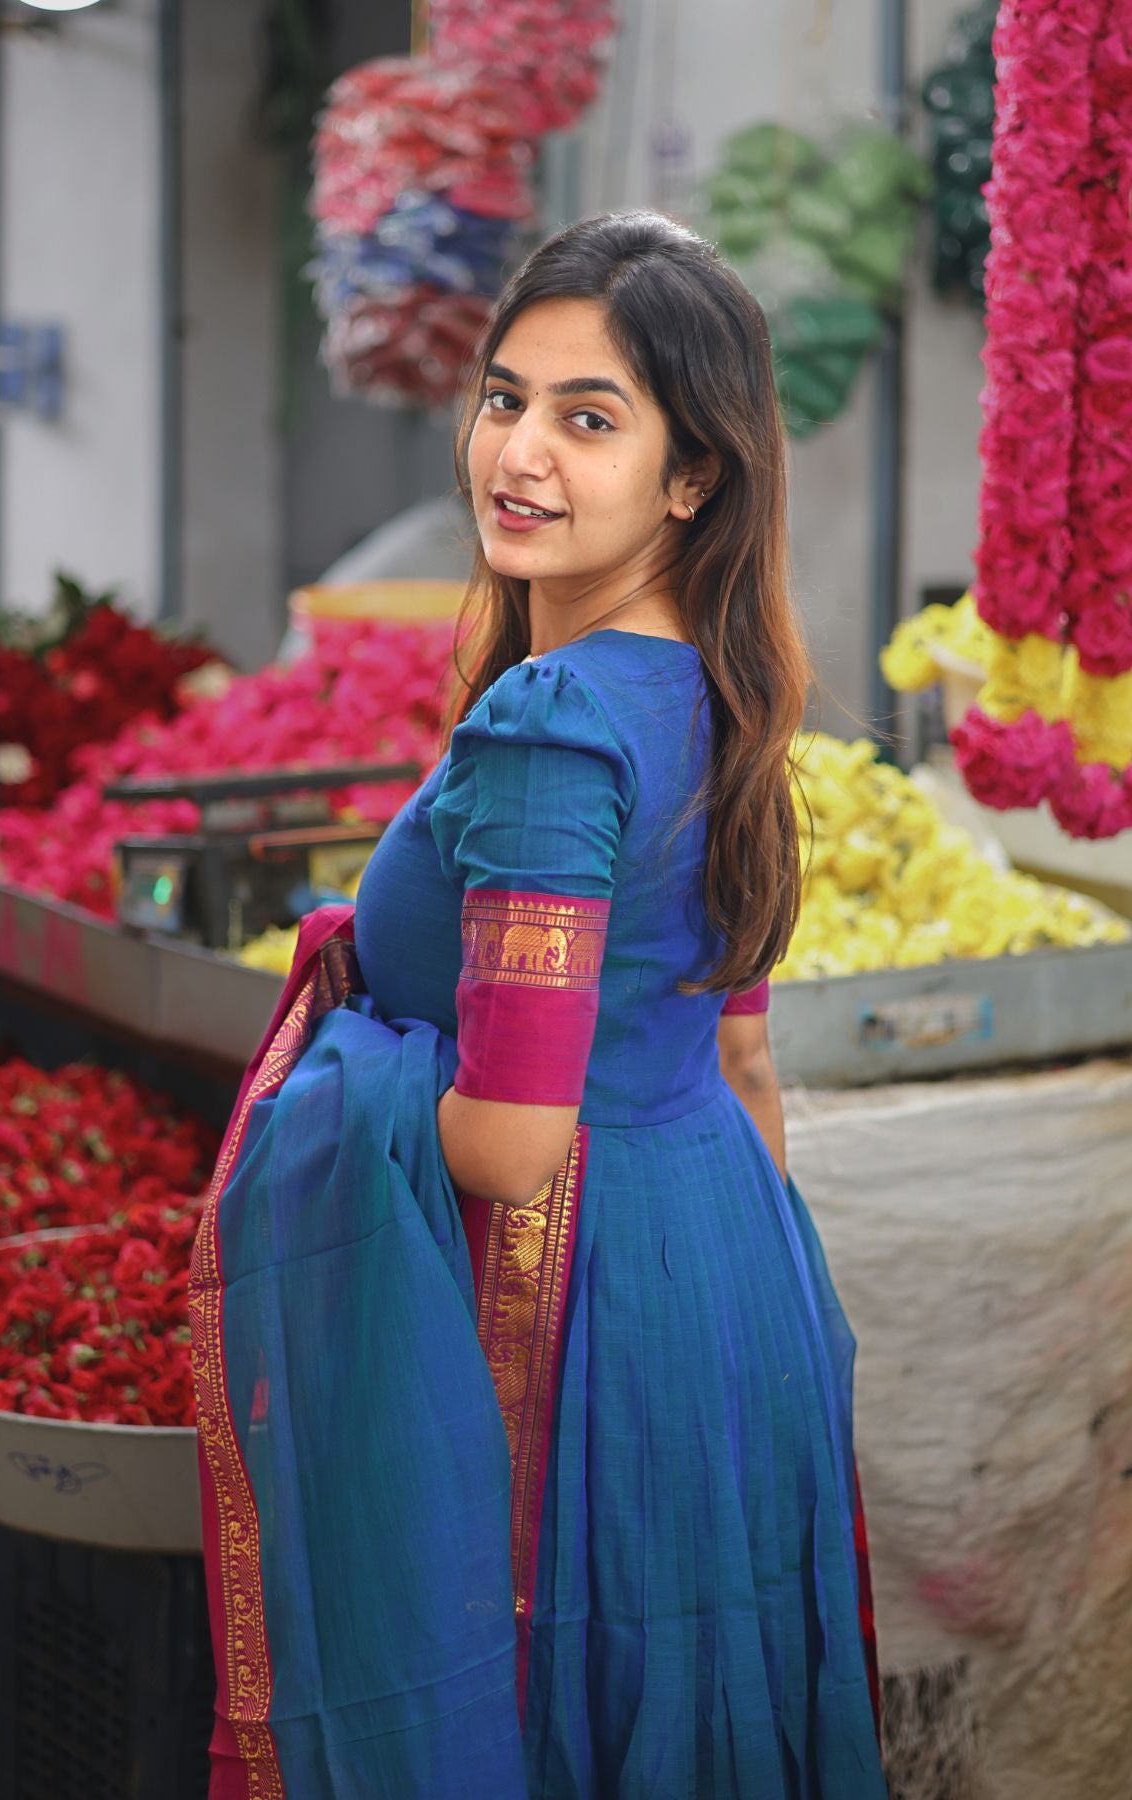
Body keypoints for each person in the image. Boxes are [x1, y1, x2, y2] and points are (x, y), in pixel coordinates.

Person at [190, 209, 887, 1799]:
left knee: (554, 1708)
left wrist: (339, 1084)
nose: (520, 453)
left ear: (691, 474)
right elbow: (743, 1051)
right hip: (722, 1261)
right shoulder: (722, 683)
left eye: (591, 420)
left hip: (568, 1297)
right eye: (506, 398)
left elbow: (506, 1141)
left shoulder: (553, 726)